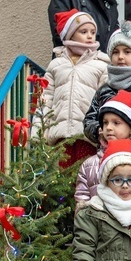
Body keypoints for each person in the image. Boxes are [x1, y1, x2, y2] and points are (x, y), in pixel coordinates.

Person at [35, 9, 109, 166]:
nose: (90, 36)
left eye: (93, 32)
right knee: (60, 183)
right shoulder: (56, 65)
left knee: (84, 182)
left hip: (87, 138)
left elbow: (106, 102)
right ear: (70, 34)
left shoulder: (102, 65)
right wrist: (38, 132)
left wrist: (102, 130)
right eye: (83, 31)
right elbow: (45, 100)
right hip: (59, 138)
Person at [76, 90, 131, 211]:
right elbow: (82, 199)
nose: (109, 128)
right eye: (105, 123)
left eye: (116, 123)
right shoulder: (89, 165)